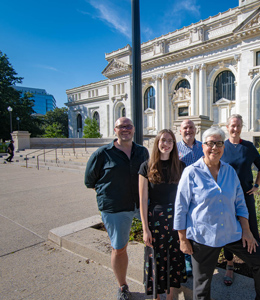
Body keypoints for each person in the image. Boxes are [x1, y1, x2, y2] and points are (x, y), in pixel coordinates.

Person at [174, 127, 260, 300]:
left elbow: (240, 203)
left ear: (223, 146)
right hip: (204, 236)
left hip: (231, 232)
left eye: (219, 143)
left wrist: (246, 230)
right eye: (210, 143)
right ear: (203, 146)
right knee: (202, 286)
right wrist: (183, 239)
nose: (215, 147)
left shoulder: (229, 171)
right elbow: (180, 208)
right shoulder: (191, 172)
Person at [84, 117, 149, 300]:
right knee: (119, 248)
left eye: (128, 126)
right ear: (115, 130)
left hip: (141, 205)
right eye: (121, 127)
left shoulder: (142, 152)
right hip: (116, 208)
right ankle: (122, 287)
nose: (125, 129)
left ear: (134, 129)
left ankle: (156, 280)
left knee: (155, 240)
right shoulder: (102, 154)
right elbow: (90, 181)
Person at [139, 129, 187, 300]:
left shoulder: (181, 167)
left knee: (174, 257)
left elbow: (185, 197)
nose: (166, 144)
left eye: (170, 141)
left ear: (174, 144)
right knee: (155, 258)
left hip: (176, 218)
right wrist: (145, 229)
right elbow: (143, 200)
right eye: (163, 140)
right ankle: (156, 296)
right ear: (157, 143)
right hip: (155, 219)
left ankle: (170, 295)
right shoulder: (146, 166)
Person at [221, 114, 260, 286]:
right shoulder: (222, 147)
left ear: (242, 127)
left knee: (252, 231)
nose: (236, 128)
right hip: (227, 199)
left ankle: (257, 265)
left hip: (246, 198)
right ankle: (230, 264)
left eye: (239, 125)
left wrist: (256, 185)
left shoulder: (248, 147)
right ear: (227, 127)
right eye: (233, 125)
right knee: (228, 232)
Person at [176, 119, 204, 276]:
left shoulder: (202, 147)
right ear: (180, 131)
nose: (188, 130)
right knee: (184, 224)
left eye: (191, 127)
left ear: (196, 130)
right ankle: (187, 258)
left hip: (201, 194)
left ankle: (198, 257)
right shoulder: (175, 148)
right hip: (183, 194)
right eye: (185, 128)